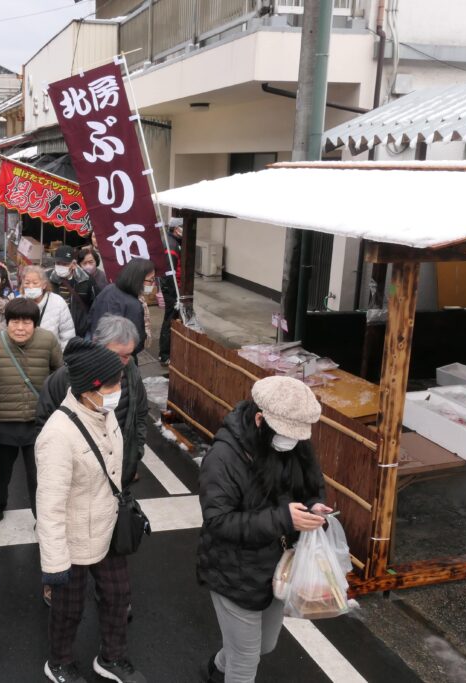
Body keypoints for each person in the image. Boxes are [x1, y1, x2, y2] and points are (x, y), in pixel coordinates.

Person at [198, 376, 330, 683]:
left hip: (278, 568)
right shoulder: (224, 456)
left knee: (264, 645)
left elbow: (312, 487)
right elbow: (218, 521)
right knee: (245, 660)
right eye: (285, 434)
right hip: (233, 571)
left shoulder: (295, 445)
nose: (292, 443)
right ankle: (227, 670)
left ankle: (217, 668)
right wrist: (285, 519)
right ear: (260, 419)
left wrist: (314, 507)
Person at [36, 338, 146, 683]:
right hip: (74, 538)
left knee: (118, 596)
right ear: (89, 389)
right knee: (69, 609)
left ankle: (111, 658)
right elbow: (50, 508)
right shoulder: (58, 435)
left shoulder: (104, 410)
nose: (119, 389)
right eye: (113, 384)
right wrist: (54, 566)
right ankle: (59, 663)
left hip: (107, 526)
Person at [0, 298, 63, 522]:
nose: (20, 327)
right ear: (7, 322)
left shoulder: (48, 340)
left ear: (35, 324)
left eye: (27, 322)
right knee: (1, 472)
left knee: (38, 475)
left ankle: (41, 515)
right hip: (3, 423)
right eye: (15, 321)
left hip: (38, 422)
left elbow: (60, 373)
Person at [37, 315, 147, 486]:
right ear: (97, 344)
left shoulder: (131, 370)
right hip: (79, 476)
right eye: (116, 355)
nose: (122, 362)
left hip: (119, 470)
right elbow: (44, 422)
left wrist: (136, 451)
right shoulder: (66, 377)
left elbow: (140, 412)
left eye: (127, 355)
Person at [89, 258, 155, 356]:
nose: (153, 283)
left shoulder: (108, 289)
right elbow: (137, 340)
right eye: (151, 280)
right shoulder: (133, 304)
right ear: (138, 279)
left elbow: (91, 318)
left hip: (97, 350)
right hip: (121, 357)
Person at [20, 265, 75, 349]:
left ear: (44, 285)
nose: (31, 286)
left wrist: (62, 357)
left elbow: (67, 334)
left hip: (51, 355)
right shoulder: (18, 302)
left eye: (35, 283)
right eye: (27, 283)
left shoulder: (58, 302)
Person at [48, 245, 97, 339]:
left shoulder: (86, 280)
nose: (61, 266)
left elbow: (94, 304)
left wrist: (87, 324)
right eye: (58, 263)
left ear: (74, 264)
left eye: (65, 264)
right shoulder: (47, 278)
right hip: (53, 331)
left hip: (79, 332)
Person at [158, 219, 184, 365]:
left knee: (171, 319)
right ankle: (165, 354)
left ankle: (167, 352)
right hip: (172, 289)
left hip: (173, 287)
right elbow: (169, 273)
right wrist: (174, 295)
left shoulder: (172, 241)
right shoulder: (171, 245)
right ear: (176, 229)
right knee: (170, 320)